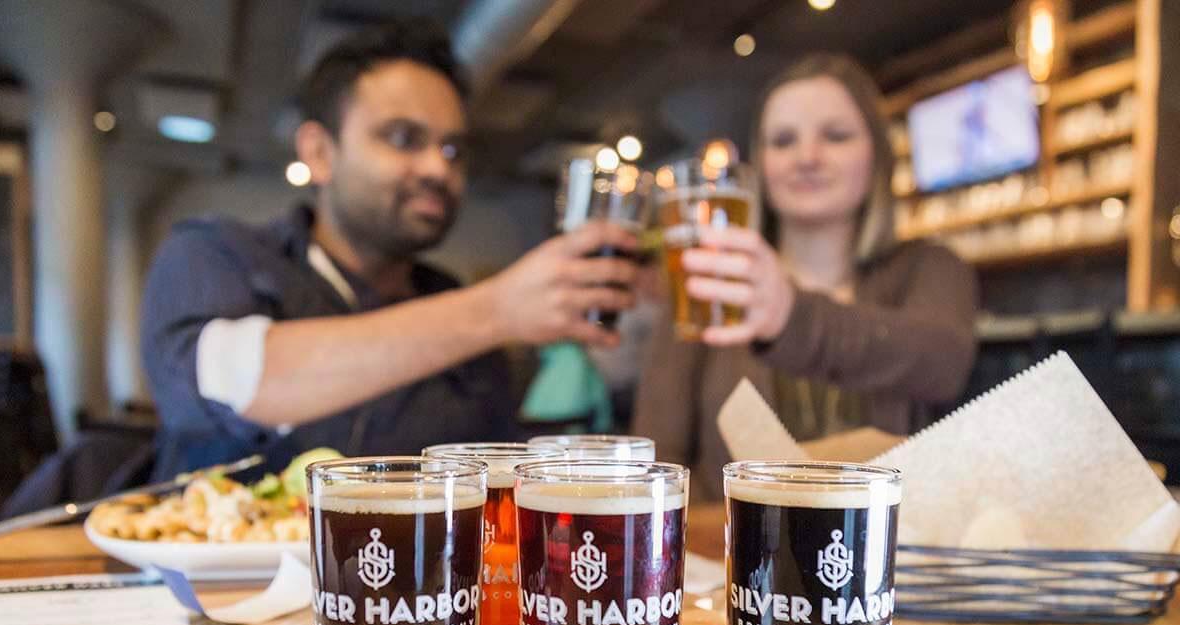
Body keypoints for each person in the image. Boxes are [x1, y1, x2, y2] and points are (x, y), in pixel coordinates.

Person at [141, 21, 639, 478]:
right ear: (319, 152)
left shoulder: (451, 303)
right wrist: (497, 309)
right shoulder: (215, 255)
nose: (439, 169)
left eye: (453, 150)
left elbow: (494, 480)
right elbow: (231, 382)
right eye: (403, 139)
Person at [634, 54, 978, 500]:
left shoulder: (928, 266)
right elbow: (659, 456)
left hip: (890, 540)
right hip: (735, 542)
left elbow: (942, 365)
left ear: (877, 155)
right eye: (783, 141)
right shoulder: (709, 285)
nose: (807, 157)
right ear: (761, 166)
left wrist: (790, 316)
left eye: (835, 136)